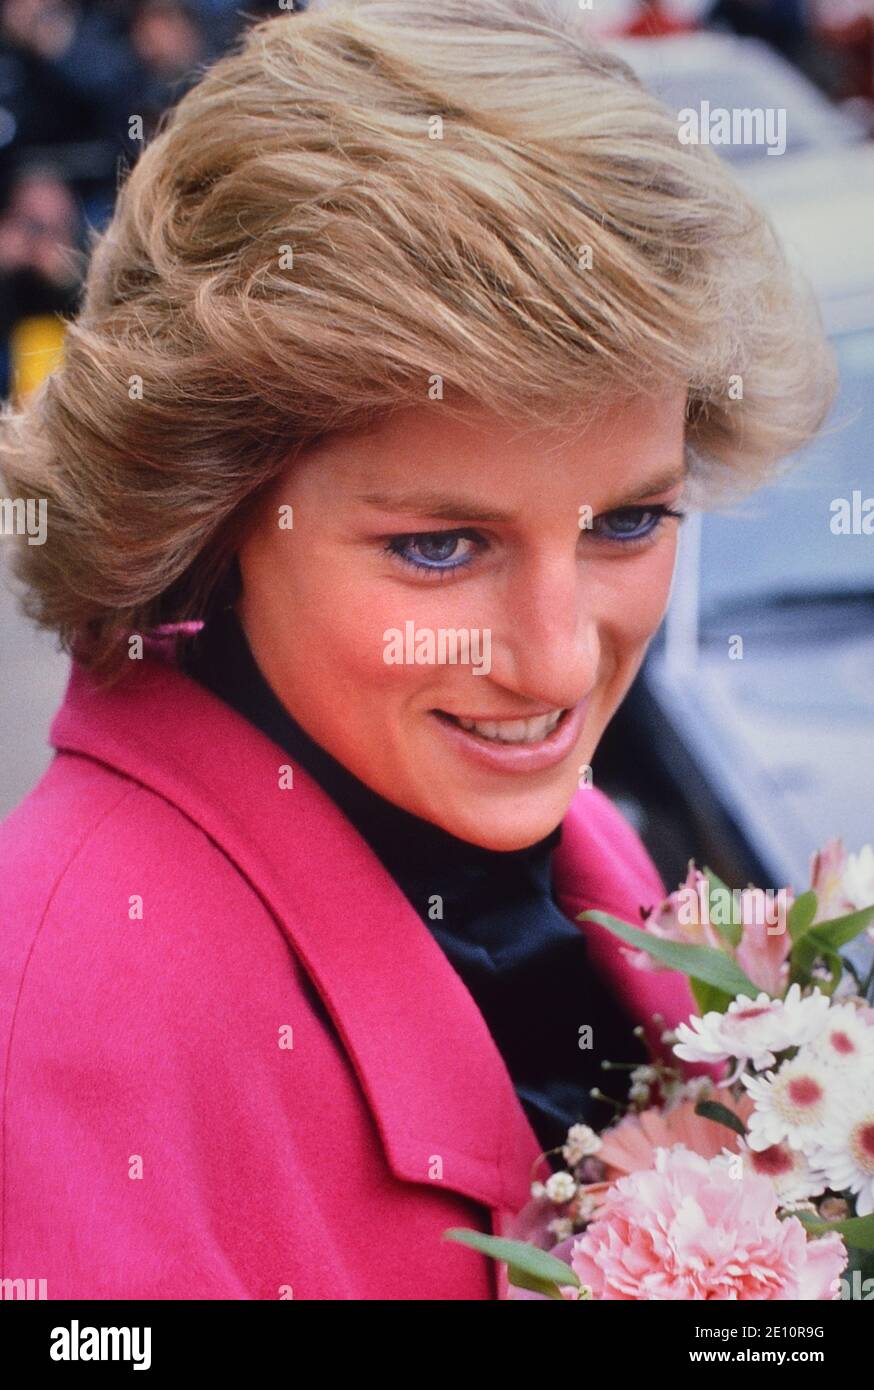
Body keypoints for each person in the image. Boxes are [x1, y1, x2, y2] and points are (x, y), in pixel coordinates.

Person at [0, 0, 834, 1300]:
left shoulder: (530, 825)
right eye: (440, 546)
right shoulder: (60, 1020)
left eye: (626, 520)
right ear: (210, 515)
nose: (559, 667)